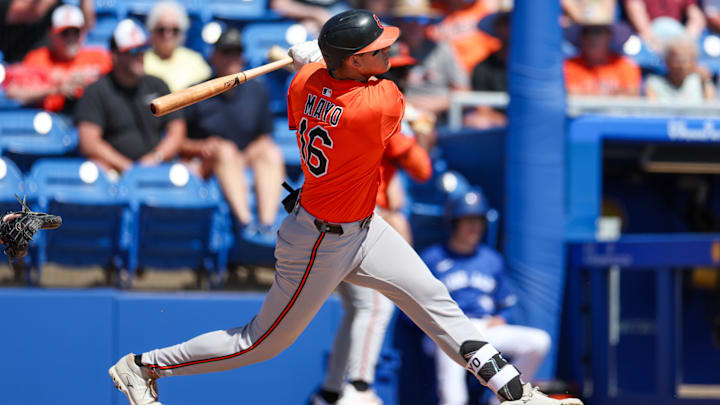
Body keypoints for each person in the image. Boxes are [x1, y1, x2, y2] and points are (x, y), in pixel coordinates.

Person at [108, 10, 583, 405]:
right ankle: (143, 367)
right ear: (355, 61)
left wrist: (310, 64)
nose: (389, 52)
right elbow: (384, 107)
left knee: (437, 302)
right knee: (258, 344)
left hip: (363, 226)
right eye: (378, 49)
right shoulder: (374, 106)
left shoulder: (303, 86)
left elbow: (317, 83)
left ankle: (518, 394)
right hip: (317, 240)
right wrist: (313, 61)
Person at [311, 45, 433, 405]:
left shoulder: (352, 104)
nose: (404, 83)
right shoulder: (377, 113)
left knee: (357, 308)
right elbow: (422, 169)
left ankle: (332, 391)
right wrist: (419, 135)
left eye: (407, 75)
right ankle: (358, 388)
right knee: (375, 307)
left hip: (331, 217)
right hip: (357, 220)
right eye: (398, 75)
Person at [422, 188, 552, 405]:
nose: (475, 227)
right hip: (443, 330)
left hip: (484, 329)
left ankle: (504, 401)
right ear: (454, 222)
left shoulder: (491, 260)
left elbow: (507, 303)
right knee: (451, 370)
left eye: (479, 220)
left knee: (539, 341)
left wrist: (503, 318)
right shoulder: (433, 258)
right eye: (468, 220)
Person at [182, 28, 284, 229]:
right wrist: (202, 146)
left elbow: (264, 136)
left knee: (270, 151)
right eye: (226, 52)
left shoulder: (257, 89)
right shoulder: (198, 91)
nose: (232, 58)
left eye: (236, 52)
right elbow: (179, 141)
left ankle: (266, 226)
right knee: (225, 150)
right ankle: (244, 222)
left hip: (243, 157)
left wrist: (243, 156)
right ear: (214, 56)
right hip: (207, 162)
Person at [75, 19, 186, 174]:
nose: (140, 55)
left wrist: (156, 158)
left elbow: (177, 130)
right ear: (114, 55)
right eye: (132, 51)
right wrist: (127, 167)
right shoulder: (97, 90)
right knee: (96, 170)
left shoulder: (157, 85)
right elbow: (89, 141)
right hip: (114, 171)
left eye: (143, 49)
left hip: (156, 168)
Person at [2, 4, 111, 113]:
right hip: (49, 119)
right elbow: (13, 93)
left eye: (76, 32)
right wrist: (56, 89)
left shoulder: (99, 57)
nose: (71, 38)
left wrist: (90, 80)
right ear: (51, 34)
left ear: (83, 33)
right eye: (65, 33)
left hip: (89, 117)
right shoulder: (38, 59)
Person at [392, 0, 471, 115]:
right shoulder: (388, 51)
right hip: (399, 117)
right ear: (398, 22)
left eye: (421, 19)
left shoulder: (442, 49)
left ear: (428, 23)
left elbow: (463, 91)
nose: (415, 25)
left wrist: (433, 105)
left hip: (440, 119)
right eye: (408, 19)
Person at [143, 1, 211, 92]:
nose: (167, 35)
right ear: (152, 30)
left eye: (174, 30)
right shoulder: (141, 61)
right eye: (161, 30)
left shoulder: (195, 61)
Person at [564, 18, 642, 96]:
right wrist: (613, 94)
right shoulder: (569, 66)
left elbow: (632, 95)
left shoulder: (625, 65)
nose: (592, 37)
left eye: (598, 31)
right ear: (580, 37)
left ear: (609, 36)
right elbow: (571, 95)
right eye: (586, 32)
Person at [0, 0, 95, 64]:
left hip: (59, 62)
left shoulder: (60, 5)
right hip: (24, 64)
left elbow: (87, 24)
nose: (71, 37)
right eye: (65, 33)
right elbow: (34, 12)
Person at [426, 0, 502, 73]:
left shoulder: (482, 8)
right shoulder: (430, 11)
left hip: (477, 74)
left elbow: (497, 46)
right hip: (438, 76)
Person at [465, 8, 511, 129]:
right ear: (497, 28)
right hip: (496, 127)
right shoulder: (482, 68)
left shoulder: (535, 68)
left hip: (530, 126)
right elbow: (482, 109)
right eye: (505, 23)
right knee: (475, 121)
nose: (510, 29)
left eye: (513, 22)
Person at [645, 36, 715, 103]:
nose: (681, 65)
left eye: (686, 60)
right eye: (677, 60)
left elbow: (710, 110)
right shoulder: (654, 83)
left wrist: (706, 82)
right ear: (666, 61)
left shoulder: (701, 81)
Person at [624, 0, 705, 51]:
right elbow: (635, 9)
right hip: (649, 40)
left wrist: (687, 39)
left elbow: (696, 17)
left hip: (677, 39)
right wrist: (650, 37)